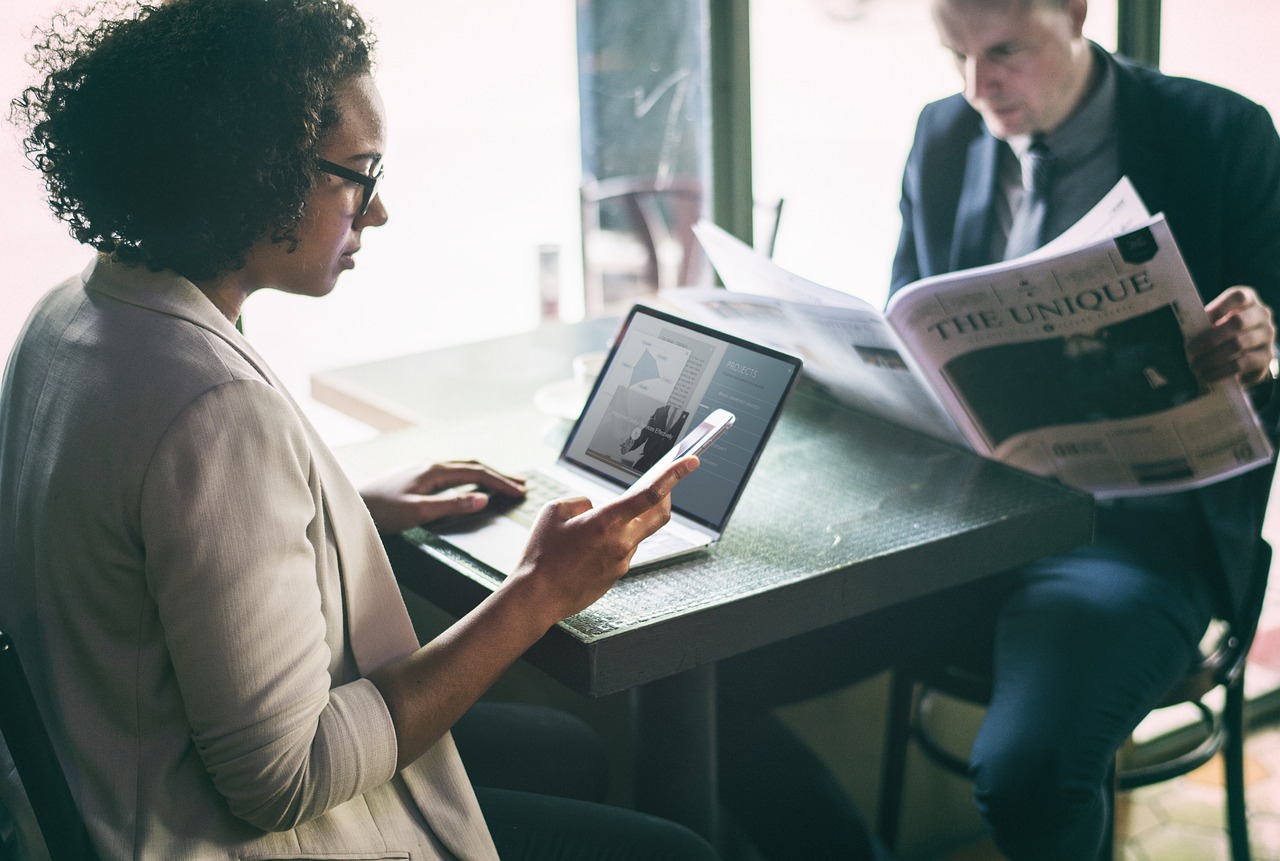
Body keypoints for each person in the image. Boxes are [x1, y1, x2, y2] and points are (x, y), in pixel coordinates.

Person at [0, 1, 720, 859]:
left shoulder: (71, 315)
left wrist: (336, 512)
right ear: (255, 173)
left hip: (102, 784)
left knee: (566, 752)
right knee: (678, 851)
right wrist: (541, 590)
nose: (375, 213)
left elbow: (155, 542)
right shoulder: (214, 408)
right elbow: (286, 778)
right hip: (215, 833)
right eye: (359, 175)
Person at [715, 1, 1280, 858]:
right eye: (956, 55)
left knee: (1030, 774)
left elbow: (1272, 332)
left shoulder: (1219, 132)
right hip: (962, 521)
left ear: (1076, 12)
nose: (980, 86)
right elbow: (911, 328)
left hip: (1137, 536)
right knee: (701, 685)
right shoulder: (943, 134)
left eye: (1006, 50)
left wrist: (1260, 348)